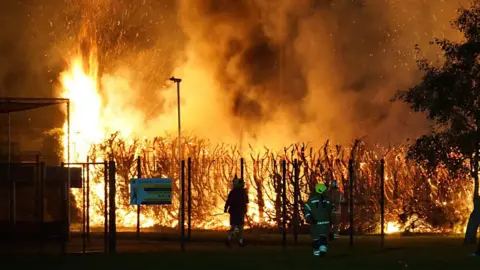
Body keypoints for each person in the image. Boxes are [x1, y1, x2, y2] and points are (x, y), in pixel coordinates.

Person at [303, 183, 334, 257]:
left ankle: (317, 252)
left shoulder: (311, 200)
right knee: (323, 237)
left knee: (316, 238)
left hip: (315, 223)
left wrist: (309, 218)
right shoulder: (328, 200)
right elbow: (331, 209)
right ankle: (322, 250)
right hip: (325, 223)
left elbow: (306, 210)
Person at [224, 175, 249, 246]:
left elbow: (228, 201)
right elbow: (246, 201)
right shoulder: (243, 192)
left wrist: (225, 208)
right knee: (239, 227)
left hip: (234, 211)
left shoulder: (233, 192)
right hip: (240, 212)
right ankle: (239, 241)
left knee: (234, 226)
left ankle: (230, 239)